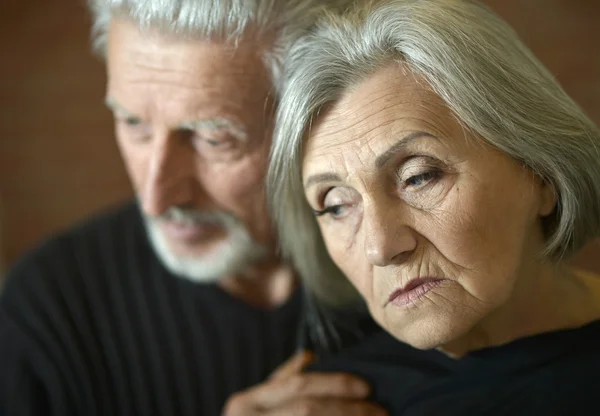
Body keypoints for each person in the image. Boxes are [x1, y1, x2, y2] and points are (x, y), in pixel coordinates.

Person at [0, 1, 388, 415]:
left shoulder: (401, 264)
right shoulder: (50, 305)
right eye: (134, 125)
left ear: (313, 115)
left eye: (213, 140)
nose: (156, 198)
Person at [269, 0, 600, 414]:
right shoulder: (328, 399)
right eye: (337, 205)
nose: (380, 247)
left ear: (541, 172)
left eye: (418, 177)